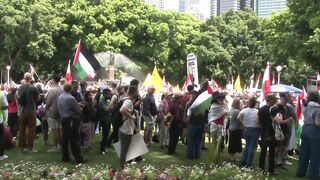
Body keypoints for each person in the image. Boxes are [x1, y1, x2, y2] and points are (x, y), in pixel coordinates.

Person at [57, 83, 86, 164]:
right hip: (71, 120)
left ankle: (65, 157)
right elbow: (77, 110)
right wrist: (80, 107)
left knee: (65, 139)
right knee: (74, 139)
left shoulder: (60, 97)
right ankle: (78, 158)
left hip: (63, 118)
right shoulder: (71, 98)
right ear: (71, 89)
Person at [296, 92, 320, 179]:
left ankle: (300, 172)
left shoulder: (305, 105)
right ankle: (313, 175)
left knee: (304, 153)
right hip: (314, 131)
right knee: (315, 155)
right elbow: (318, 123)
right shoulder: (318, 108)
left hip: (305, 129)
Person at [17, 72, 40, 153]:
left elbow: (18, 99)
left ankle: (22, 147)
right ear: (30, 79)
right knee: (31, 129)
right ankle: (30, 148)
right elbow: (38, 99)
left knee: (22, 129)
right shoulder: (33, 88)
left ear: (24, 78)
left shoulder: (20, 88)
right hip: (31, 111)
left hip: (22, 111)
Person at [119, 86, 138, 169]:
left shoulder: (128, 100)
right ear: (133, 92)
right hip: (125, 129)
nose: (137, 93)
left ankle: (126, 165)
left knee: (126, 149)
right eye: (137, 91)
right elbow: (122, 110)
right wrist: (131, 117)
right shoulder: (128, 102)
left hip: (126, 128)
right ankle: (123, 168)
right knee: (124, 150)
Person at [258, 94, 278, 175]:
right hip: (272, 132)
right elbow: (277, 120)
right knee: (272, 152)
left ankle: (261, 168)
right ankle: (271, 170)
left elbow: (258, 121)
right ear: (272, 100)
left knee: (263, 151)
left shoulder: (261, 109)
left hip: (263, 131)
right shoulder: (274, 109)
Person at [238, 97, 260, 168]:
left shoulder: (244, 110)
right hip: (254, 129)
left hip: (246, 129)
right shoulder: (257, 111)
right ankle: (249, 163)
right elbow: (258, 121)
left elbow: (238, 118)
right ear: (255, 104)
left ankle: (244, 160)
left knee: (247, 145)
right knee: (251, 147)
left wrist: (242, 125)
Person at [208, 91, 228, 163]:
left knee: (219, 145)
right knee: (214, 144)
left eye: (222, 98)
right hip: (214, 125)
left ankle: (216, 160)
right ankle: (212, 160)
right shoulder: (214, 106)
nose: (221, 100)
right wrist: (225, 108)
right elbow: (225, 112)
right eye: (219, 98)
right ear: (216, 99)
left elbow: (226, 112)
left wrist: (224, 105)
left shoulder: (222, 106)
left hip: (221, 126)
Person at [45, 75, 63, 152]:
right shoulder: (62, 90)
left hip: (53, 112)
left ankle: (55, 146)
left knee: (55, 130)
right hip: (61, 112)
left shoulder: (51, 90)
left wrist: (45, 110)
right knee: (60, 129)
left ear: (53, 80)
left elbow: (48, 102)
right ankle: (61, 145)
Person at [186, 90, 204, 159]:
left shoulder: (189, 104)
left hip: (192, 124)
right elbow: (202, 115)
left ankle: (190, 155)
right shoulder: (200, 104)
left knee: (191, 140)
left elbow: (188, 116)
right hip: (198, 124)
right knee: (197, 141)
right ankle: (197, 155)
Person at [98, 88, 113, 155]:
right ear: (104, 94)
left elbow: (111, 108)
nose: (110, 95)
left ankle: (104, 147)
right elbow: (106, 109)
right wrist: (112, 102)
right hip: (104, 120)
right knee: (105, 135)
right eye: (108, 94)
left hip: (108, 120)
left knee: (106, 135)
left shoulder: (107, 100)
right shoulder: (101, 102)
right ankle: (102, 150)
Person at [0, 88, 8, 160]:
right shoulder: (1, 94)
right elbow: (5, 107)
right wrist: (5, 119)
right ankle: (1, 155)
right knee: (1, 137)